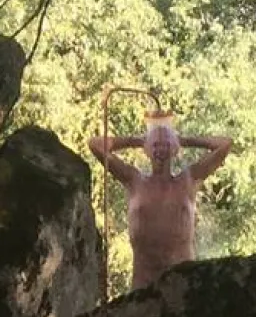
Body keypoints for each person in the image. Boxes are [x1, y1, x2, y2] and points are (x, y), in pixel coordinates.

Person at [87, 110, 232, 290]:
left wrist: (183, 140)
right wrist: (139, 140)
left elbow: (225, 144)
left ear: (174, 149)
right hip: (144, 284)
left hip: (183, 284)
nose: (160, 150)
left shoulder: (188, 180)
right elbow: (95, 144)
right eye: (155, 145)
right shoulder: (134, 180)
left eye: (166, 145)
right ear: (147, 150)